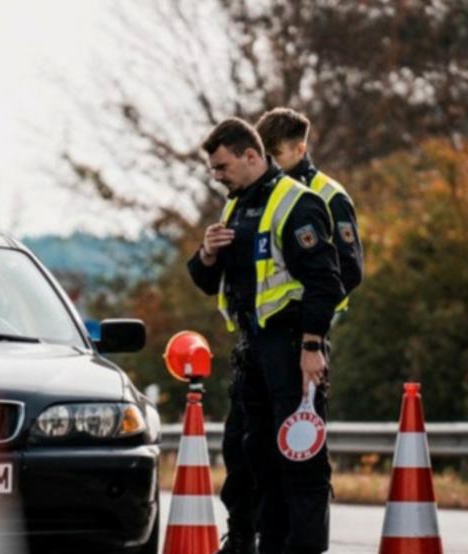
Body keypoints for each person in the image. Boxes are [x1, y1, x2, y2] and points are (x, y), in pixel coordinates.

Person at [186, 118, 343, 554]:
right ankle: (252, 544)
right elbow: (205, 279)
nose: (217, 177)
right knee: (247, 456)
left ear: (251, 156)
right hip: (251, 349)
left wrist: (312, 347)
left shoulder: (297, 203)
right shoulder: (237, 206)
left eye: (222, 167)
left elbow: (324, 282)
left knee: (300, 459)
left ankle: (303, 548)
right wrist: (207, 252)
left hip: (291, 346)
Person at [256, 108, 363, 310]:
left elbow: (350, 270)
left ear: (300, 150)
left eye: (276, 155)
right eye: (264, 156)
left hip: (311, 324)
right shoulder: (260, 194)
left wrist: (314, 315)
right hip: (264, 327)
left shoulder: (331, 196)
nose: (269, 163)